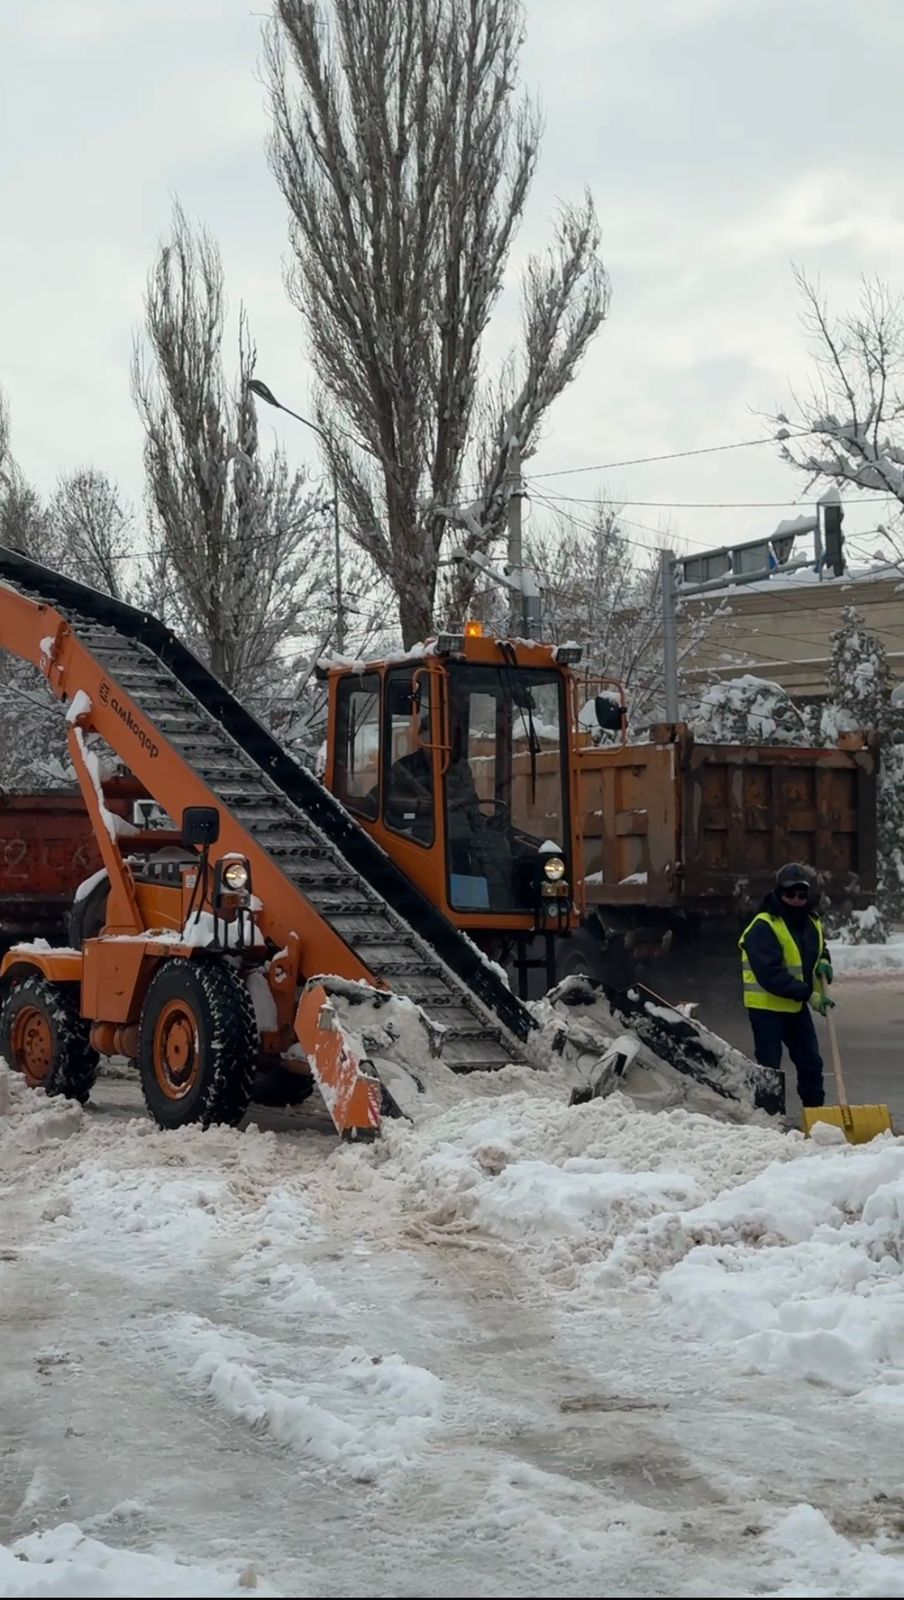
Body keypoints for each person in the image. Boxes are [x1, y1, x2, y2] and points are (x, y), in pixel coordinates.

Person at [738, 862, 834, 1108]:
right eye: (790, 893)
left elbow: (820, 949)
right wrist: (809, 995)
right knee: (770, 1068)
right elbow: (770, 975)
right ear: (779, 893)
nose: (796, 899)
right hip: (766, 1009)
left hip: (794, 1008)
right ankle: (770, 1117)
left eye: (802, 894)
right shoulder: (763, 926)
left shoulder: (812, 923)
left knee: (811, 1062)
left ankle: (815, 1114)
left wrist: (824, 962)